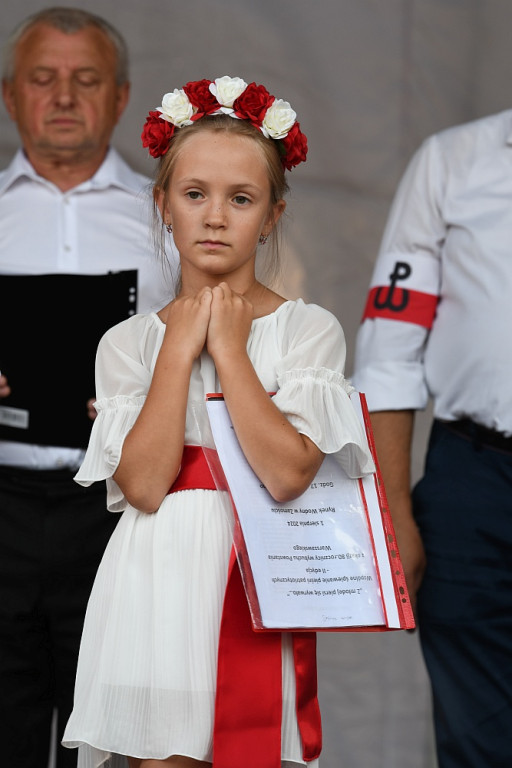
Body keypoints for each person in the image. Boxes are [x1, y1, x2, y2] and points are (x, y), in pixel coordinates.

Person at [61, 75, 376, 768]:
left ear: (270, 217)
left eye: (240, 200)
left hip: (254, 569)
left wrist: (229, 351)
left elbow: (288, 473)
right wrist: (178, 348)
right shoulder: (127, 343)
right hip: (155, 575)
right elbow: (144, 486)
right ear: (163, 204)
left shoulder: (306, 331)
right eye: (194, 194)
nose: (213, 217)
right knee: (159, 757)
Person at [0, 8, 175, 768]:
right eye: (44, 79)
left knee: (107, 736)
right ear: (11, 96)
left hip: (118, 510)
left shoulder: (169, 218)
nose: (64, 96)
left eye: (86, 80)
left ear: (121, 96)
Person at [352, 109, 512, 768]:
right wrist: (392, 510)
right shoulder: (455, 159)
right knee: (478, 739)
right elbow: (392, 345)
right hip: (473, 483)